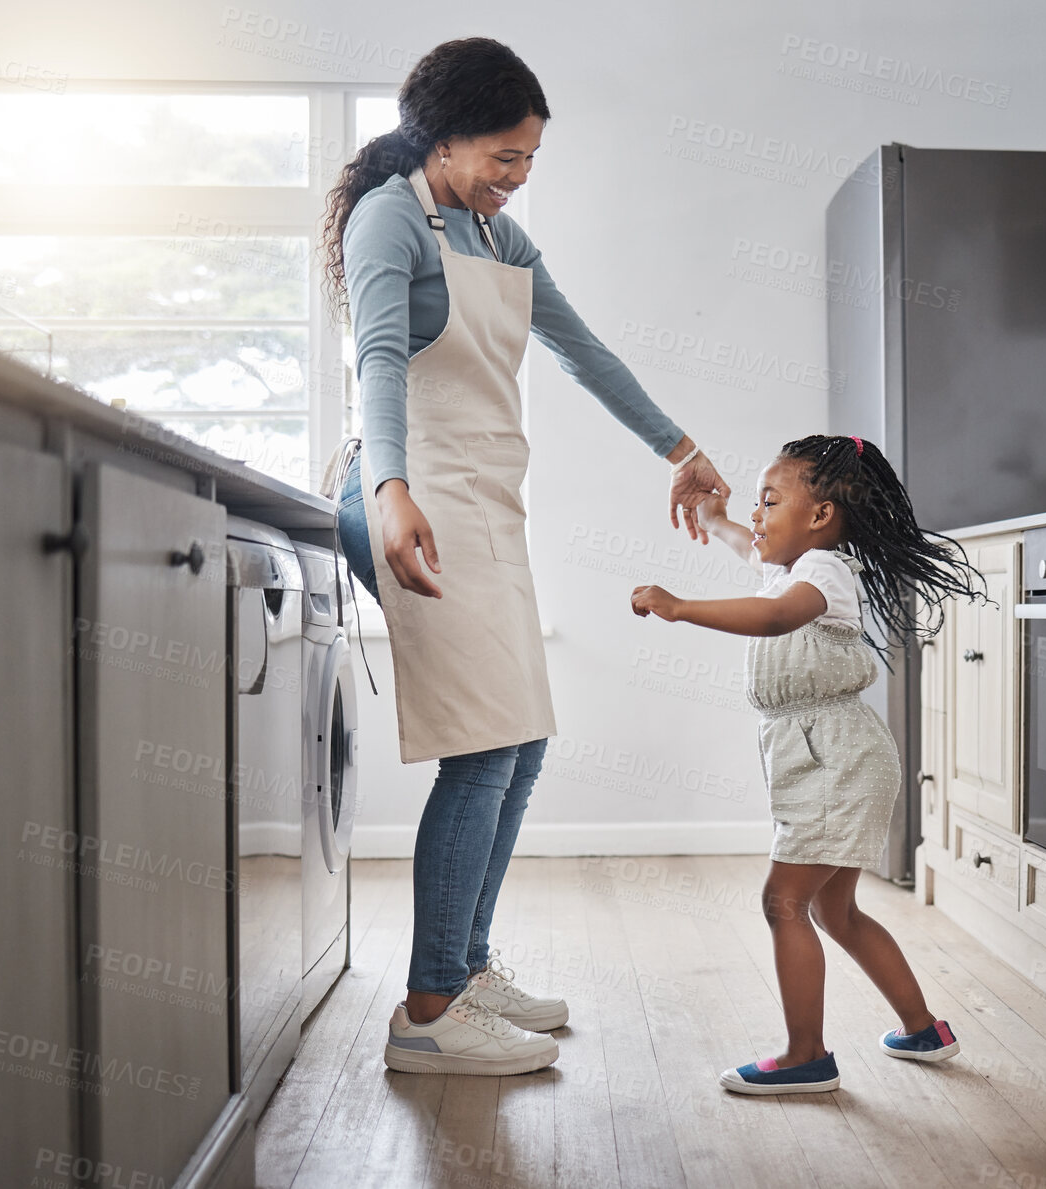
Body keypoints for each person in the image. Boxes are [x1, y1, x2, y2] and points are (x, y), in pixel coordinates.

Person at [321, 37, 729, 1077]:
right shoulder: (388, 221)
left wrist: (681, 450)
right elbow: (376, 362)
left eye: (527, 162)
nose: (514, 178)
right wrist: (389, 489)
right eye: (502, 157)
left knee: (523, 739)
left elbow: (582, 349)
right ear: (444, 137)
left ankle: (465, 967)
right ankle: (427, 1009)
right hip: (405, 495)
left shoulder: (497, 242)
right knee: (483, 747)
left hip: (482, 507)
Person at [630, 434, 982, 1094]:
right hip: (825, 755)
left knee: (783, 900)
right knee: (834, 911)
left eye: (770, 500)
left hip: (835, 759)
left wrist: (679, 608)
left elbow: (774, 618)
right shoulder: (789, 563)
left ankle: (805, 1055)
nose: (756, 516)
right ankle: (922, 1028)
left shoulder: (821, 573)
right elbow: (742, 542)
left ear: (819, 517)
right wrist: (710, 513)